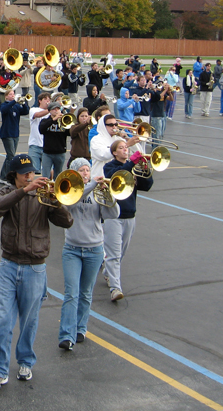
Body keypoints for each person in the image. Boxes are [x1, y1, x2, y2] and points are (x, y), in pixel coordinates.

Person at [0, 153, 73, 388]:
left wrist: (56, 201)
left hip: (35, 268)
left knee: (29, 321)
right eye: (25, 174)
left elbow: (67, 222)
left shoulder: (43, 195)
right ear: (15, 176)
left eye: (32, 172)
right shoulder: (7, 192)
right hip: (9, 265)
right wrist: (23, 191)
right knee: (0, 320)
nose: (30, 176)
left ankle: (25, 361)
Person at [58, 158, 119, 350]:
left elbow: (113, 215)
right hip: (72, 249)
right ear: (74, 173)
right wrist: (92, 184)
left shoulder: (96, 192)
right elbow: (69, 203)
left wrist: (109, 196)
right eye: (82, 170)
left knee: (85, 293)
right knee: (71, 293)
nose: (85, 173)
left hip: (94, 249)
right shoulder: (68, 191)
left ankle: (80, 328)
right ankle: (66, 334)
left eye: (87, 170)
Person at [102, 140, 153, 301]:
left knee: (121, 252)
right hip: (114, 216)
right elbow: (115, 175)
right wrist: (131, 162)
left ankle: (107, 272)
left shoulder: (133, 168)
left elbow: (147, 186)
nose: (126, 150)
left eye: (126, 148)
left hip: (130, 215)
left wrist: (145, 168)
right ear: (115, 152)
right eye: (121, 148)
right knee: (114, 254)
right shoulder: (109, 167)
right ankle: (115, 288)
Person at [0, 89, 29, 184]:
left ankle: (3, 177)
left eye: (13, 94)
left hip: (15, 133)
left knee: (9, 156)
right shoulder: (4, 105)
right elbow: (4, 110)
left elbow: (25, 111)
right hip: (7, 133)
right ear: (6, 96)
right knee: (11, 156)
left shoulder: (16, 106)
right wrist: (14, 101)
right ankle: (8, 178)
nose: (12, 95)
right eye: (10, 94)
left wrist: (24, 102)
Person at [39, 102, 70, 179]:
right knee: (45, 176)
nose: (56, 111)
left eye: (58, 109)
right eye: (54, 109)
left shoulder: (63, 121)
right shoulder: (45, 121)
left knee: (58, 176)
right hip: (47, 153)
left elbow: (69, 133)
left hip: (60, 152)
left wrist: (65, 123)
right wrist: (53, 120)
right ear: (49, 111)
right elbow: (41, 130)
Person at [27, 93, 51, 174]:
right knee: (33, 171)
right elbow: (38, 115)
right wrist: (51, 109)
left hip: (47, 146)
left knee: (48, 172)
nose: (48, 101)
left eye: (49, 99)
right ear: (40, 101)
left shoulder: (52, 112)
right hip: (35, 145)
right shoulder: (34, 109)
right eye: (45, 99)